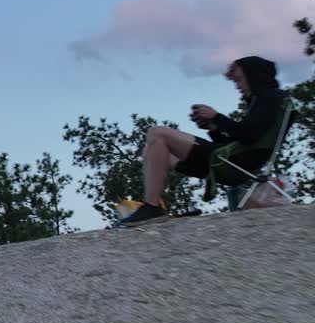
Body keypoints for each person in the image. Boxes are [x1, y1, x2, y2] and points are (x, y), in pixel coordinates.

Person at [120, 56, 288, 226]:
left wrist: (216, 116)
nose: (237, 86)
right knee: (152, 150)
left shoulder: (271, 98)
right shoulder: (264, 101)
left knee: (157, 133)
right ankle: (156, 206)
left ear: (254, 76)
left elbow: (248, 135)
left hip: (235, 164)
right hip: (233, 162)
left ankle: (152, 207)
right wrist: (213, 129)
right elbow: (241, 141)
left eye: (239, 80)